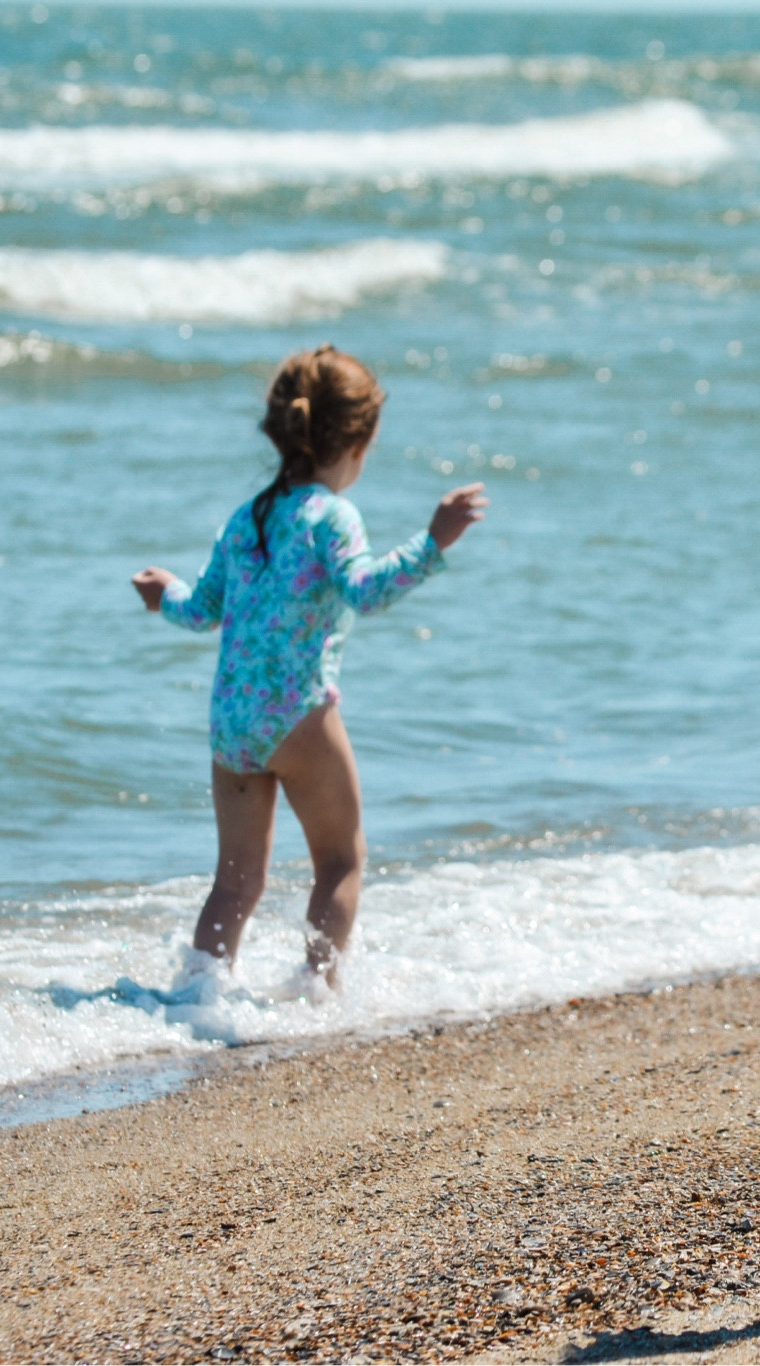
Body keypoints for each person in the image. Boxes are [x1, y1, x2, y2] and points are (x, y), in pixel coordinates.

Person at [132, 344, 487, 996]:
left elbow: (203, 609)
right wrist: (432, 542)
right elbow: (366, 591)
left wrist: (165, 595)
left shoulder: (248, 517)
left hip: (232, 722)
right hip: (298, 714)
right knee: (341, 860)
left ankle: (196, 994)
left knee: (236, 880)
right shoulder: (333, 515)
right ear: (358, 441)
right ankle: (314, 991)